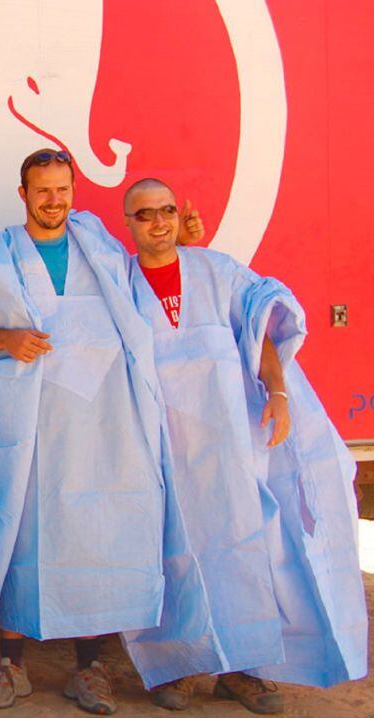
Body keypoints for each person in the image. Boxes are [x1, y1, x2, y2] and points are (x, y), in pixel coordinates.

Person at [119, 178, 367, 713]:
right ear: (129, 224)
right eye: (145, 214)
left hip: (231, 447)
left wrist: (277, 393)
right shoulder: (120, 285)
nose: (158, 222)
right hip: (163, 453)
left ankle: (243, 672)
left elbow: (259, 326)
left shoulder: (215, 271)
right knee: (174, 556)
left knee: (246, 551)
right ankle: (181, 669)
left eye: (166, 210)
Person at [0, 149, 175, 715]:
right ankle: (11, 665)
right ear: (22, 193)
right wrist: (6, 341)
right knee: (16, 530)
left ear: (75, 190)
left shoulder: (102, 253)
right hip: (22, 426)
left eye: (63, 190)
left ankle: (89, 670)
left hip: (101, 427)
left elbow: (147, 301)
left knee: (92, 533)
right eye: (42, 190)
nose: (54, 201)